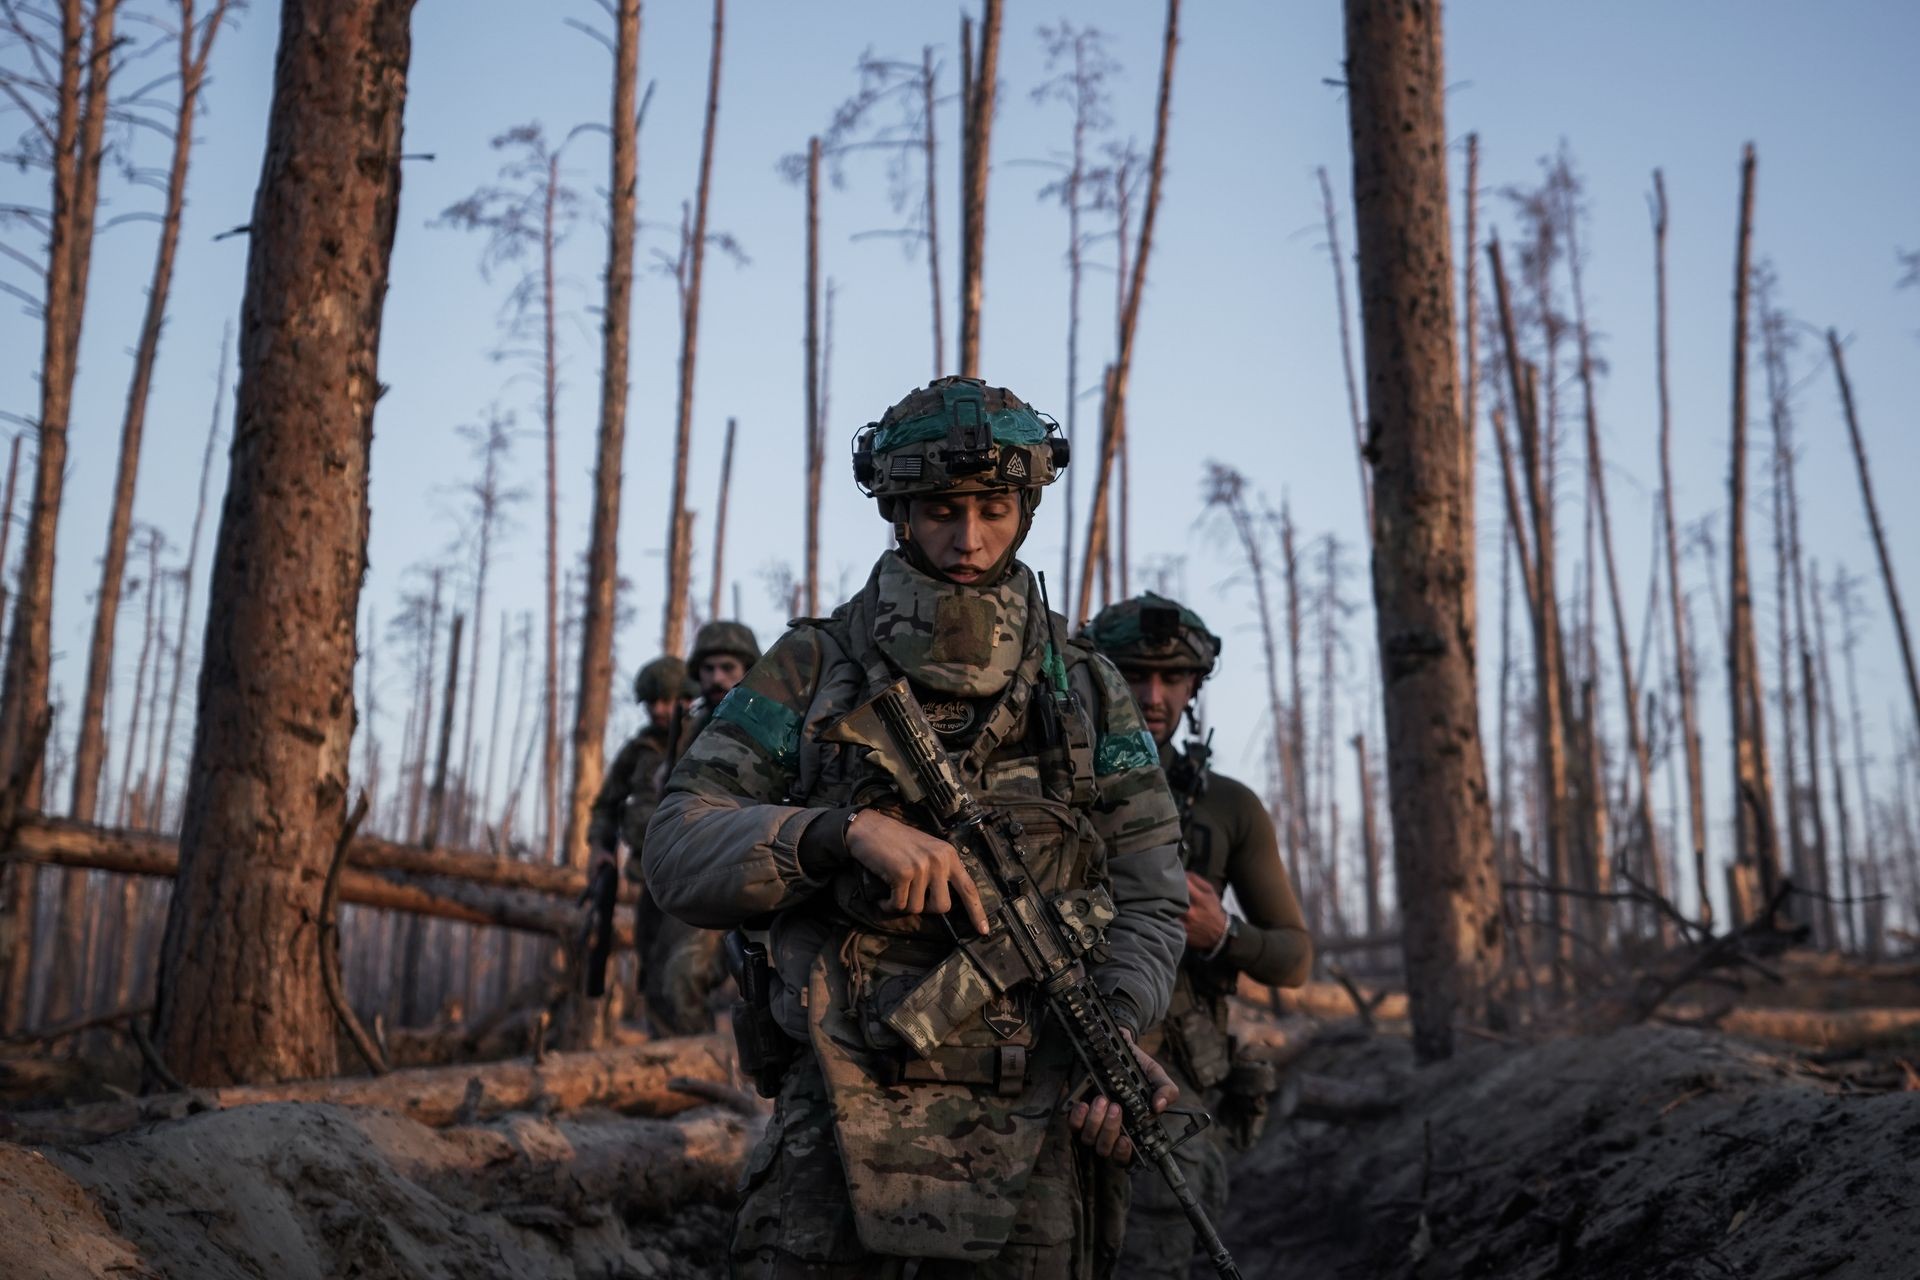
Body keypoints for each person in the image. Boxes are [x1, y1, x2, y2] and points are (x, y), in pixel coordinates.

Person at [645, 376, 1189, 1277]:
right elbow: (677, 846)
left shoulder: (1088, 688)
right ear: (897, 507)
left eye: (992, 507)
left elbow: (1146, 893)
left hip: (1038, 1124)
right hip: (836, 1116)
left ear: (1027, 505)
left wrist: (1119, 1026)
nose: (968, 537)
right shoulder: (815, 665)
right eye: (941, 507)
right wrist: (836, 832)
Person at [1082, 592, 1315, 1280]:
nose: (1153, 695)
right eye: (1133, 674)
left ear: (1194, 686)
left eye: (1173, 678)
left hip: (1172, 1092)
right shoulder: (1053, 784)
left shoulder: (1228, 807)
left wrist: (1221, 934)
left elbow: (1295, 957)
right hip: (1057, 1066)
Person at [630, 621, 764, 1034]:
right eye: (707, 669)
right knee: (656, 979)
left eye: (727, 667)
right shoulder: (691, 727)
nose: (716, 678)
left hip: (738, 869)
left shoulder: (768, 720)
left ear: (748, 668)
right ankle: (668, 1084)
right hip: (684, 868)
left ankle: (696, 1078)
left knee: (684, 977)